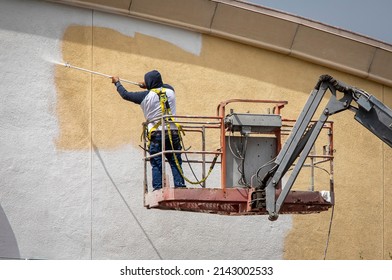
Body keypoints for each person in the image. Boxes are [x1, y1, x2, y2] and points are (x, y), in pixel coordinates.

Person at [112, 70, 186, 191]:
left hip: (157, 134)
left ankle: (158, 188)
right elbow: (163, 86)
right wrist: (148, 85)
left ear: (149, 82)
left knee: (157, 162)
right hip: (173, 132)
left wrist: (117, 83)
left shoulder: (144, 96)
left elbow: (125, 95)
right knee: (175, 160)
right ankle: (180, 185)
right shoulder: (171, 91)